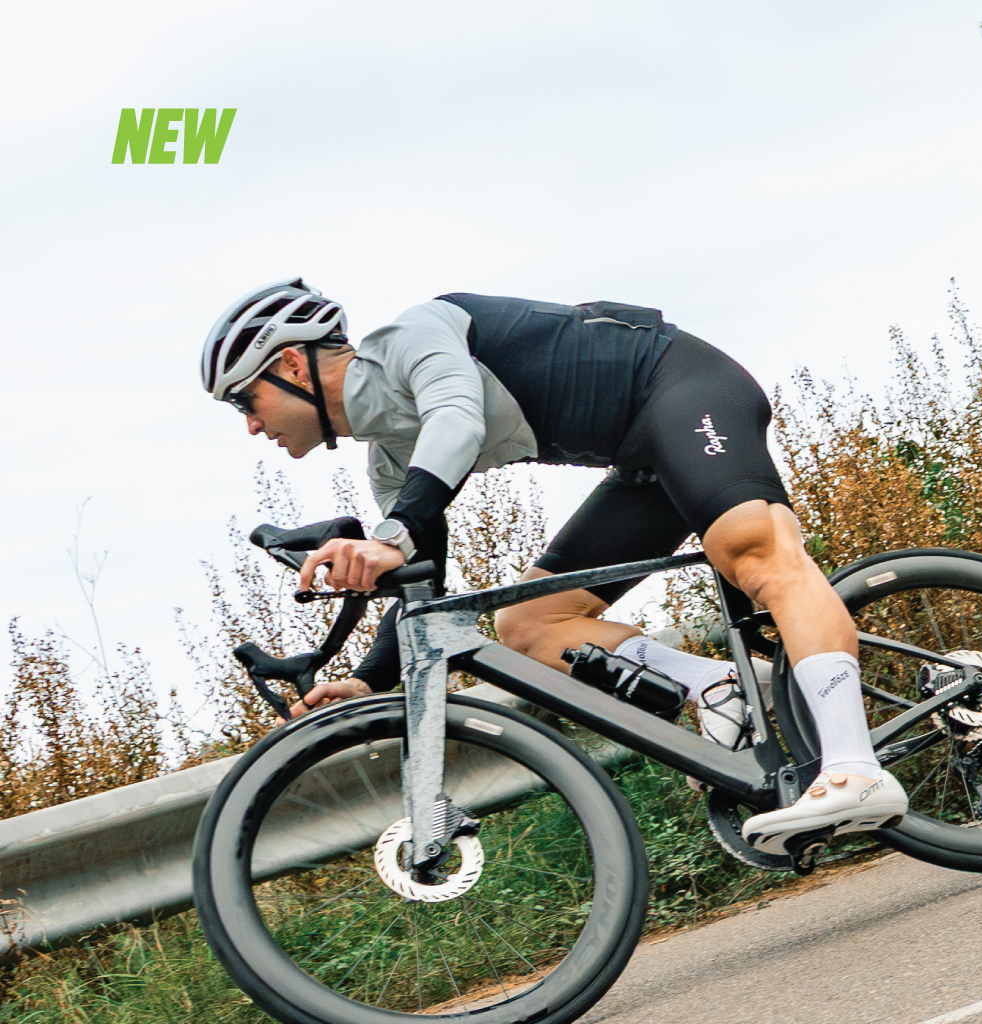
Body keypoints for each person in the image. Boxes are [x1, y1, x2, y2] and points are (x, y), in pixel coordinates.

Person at [198, 279, 906, 853]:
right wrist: (365, 678)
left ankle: (852, 766)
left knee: (750, 548)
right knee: (529, 624)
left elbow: (457, 418)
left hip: (684, 387)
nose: (252, 426)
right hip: (641, 460)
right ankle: (716, 686)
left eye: (245, 401)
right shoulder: (389, 459)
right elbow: (423, 586)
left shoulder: (412, 337)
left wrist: (391, 532)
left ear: (292, 364)